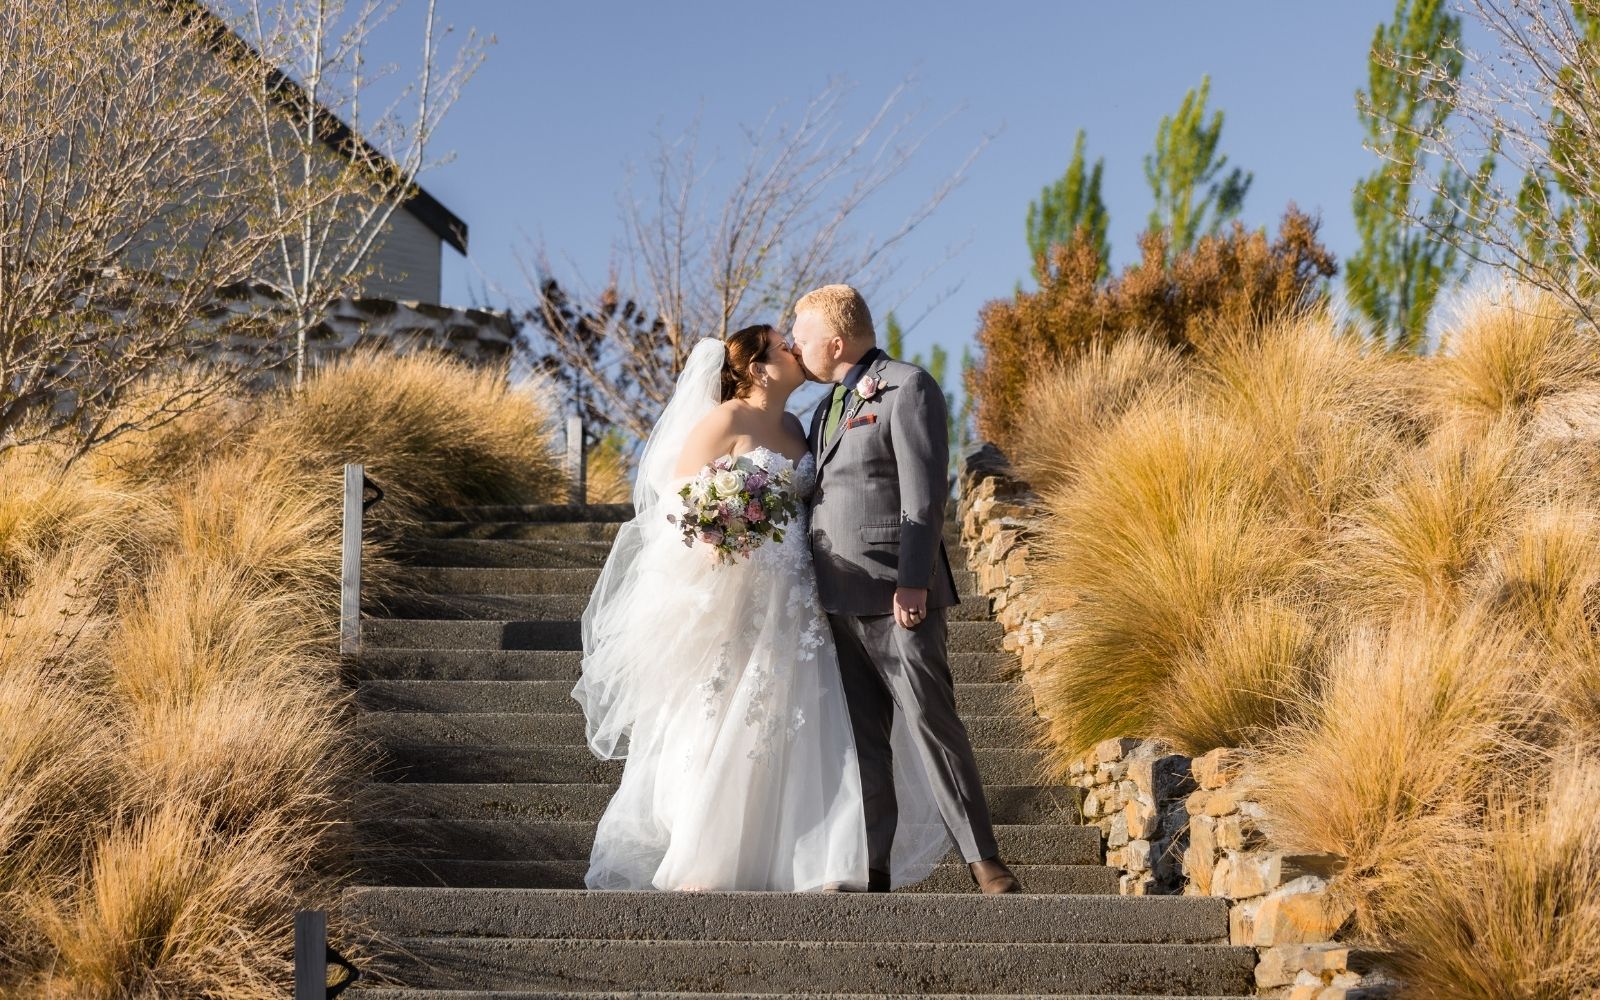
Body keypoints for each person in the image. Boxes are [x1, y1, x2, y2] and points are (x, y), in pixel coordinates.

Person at [573, 324, 948, 891]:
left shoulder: (800, 425)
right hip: (740, 591)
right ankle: (712, 855)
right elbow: (678, 507)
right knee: (731, 713)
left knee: (809, 715)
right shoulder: (724, 421)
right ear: (754, 366)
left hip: (799, 591)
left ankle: (819, 858)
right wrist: (719, 533)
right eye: (782, 345)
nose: (796, 349)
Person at [792, 284, 1021, 894]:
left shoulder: (908, 386)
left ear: (835, 341)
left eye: (802, 333)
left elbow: (923, 496)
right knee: (862, 743)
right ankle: (873, 867)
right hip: (835, 596)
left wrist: (913, 581)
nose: (795, 344)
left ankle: (985, 862)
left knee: (930, 725)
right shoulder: (823, 409)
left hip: (898, 595)